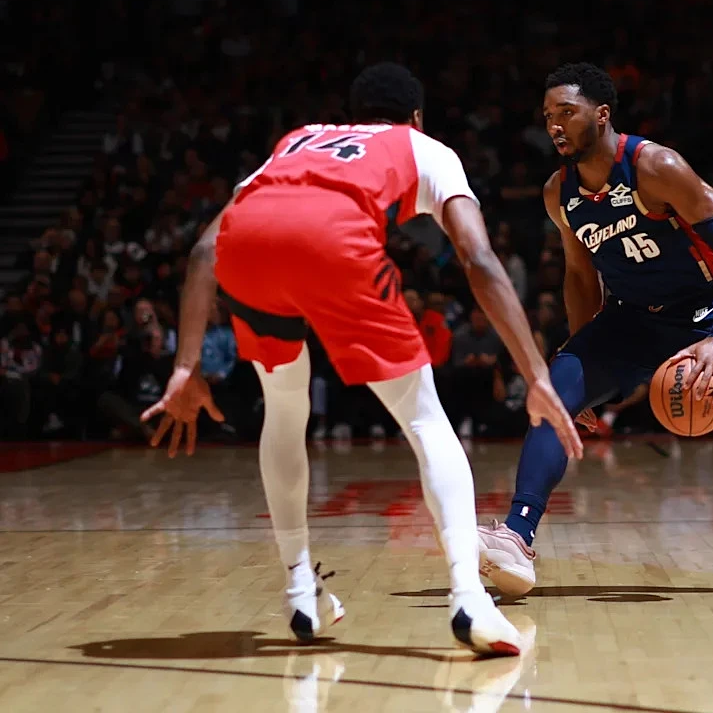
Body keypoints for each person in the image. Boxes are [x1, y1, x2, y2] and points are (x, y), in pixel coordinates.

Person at [138, 63, 582, 656]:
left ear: (351, 118)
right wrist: (536, 373)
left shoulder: (298, 141)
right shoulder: (423, 147)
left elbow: (202, 251)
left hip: (247, 250)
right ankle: (470, 600)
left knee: (284, 412)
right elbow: (478, 259)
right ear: (416, 117)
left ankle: (301, 588)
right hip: (334, 243)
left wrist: (184, 367)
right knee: (426, 421)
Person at [477, 63, 713, 596]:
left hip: (702, 320)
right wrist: (583, 359)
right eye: (548, 115)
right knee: (552, 397)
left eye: (567, 112)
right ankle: (517, 534)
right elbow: (579, 275)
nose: (555, 125)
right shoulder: (559, 192)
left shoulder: (656, 166)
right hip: (629, 320)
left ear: (601, 115)